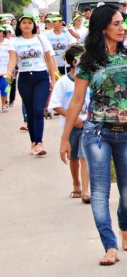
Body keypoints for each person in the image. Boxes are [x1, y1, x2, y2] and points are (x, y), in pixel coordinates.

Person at [59, 4, 127, 266]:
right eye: (116, 23)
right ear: (103, 27)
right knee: (99, 192)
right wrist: (65, 137)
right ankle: (109, 246)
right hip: (97, 133)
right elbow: (77, 101)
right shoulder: (88, 61)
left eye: (123, 24)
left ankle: (125, 225)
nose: (122, 28)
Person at [7, 14, 59, 155]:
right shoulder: (15, 42)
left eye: (30, 22)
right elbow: (12, 60)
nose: (27, 25)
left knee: (38, 110)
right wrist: (9, 72)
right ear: (19, 25)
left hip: (41, 76)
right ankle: (33, 143)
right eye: (24, 22)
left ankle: (39, 142)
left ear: (34, 25)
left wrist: (53, 80)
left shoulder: (42, 39)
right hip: (24, 78)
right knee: (29, 111)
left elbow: (49, 61)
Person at [48, 44, 90, 203]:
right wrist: (73, 118)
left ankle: (86, 191)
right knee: (74, 158)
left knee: (84, 156)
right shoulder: (63, 82)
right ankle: (76, 184)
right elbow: (55, 105)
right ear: (74, 62)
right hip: (71, 127)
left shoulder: (90, 80)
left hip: (88, 124)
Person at [0, 25, 11, 112]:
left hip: (6, 70)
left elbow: (13, 56)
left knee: (5, 87)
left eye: (0, 31)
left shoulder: (9, 42)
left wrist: (12, 69)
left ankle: (4, 105)